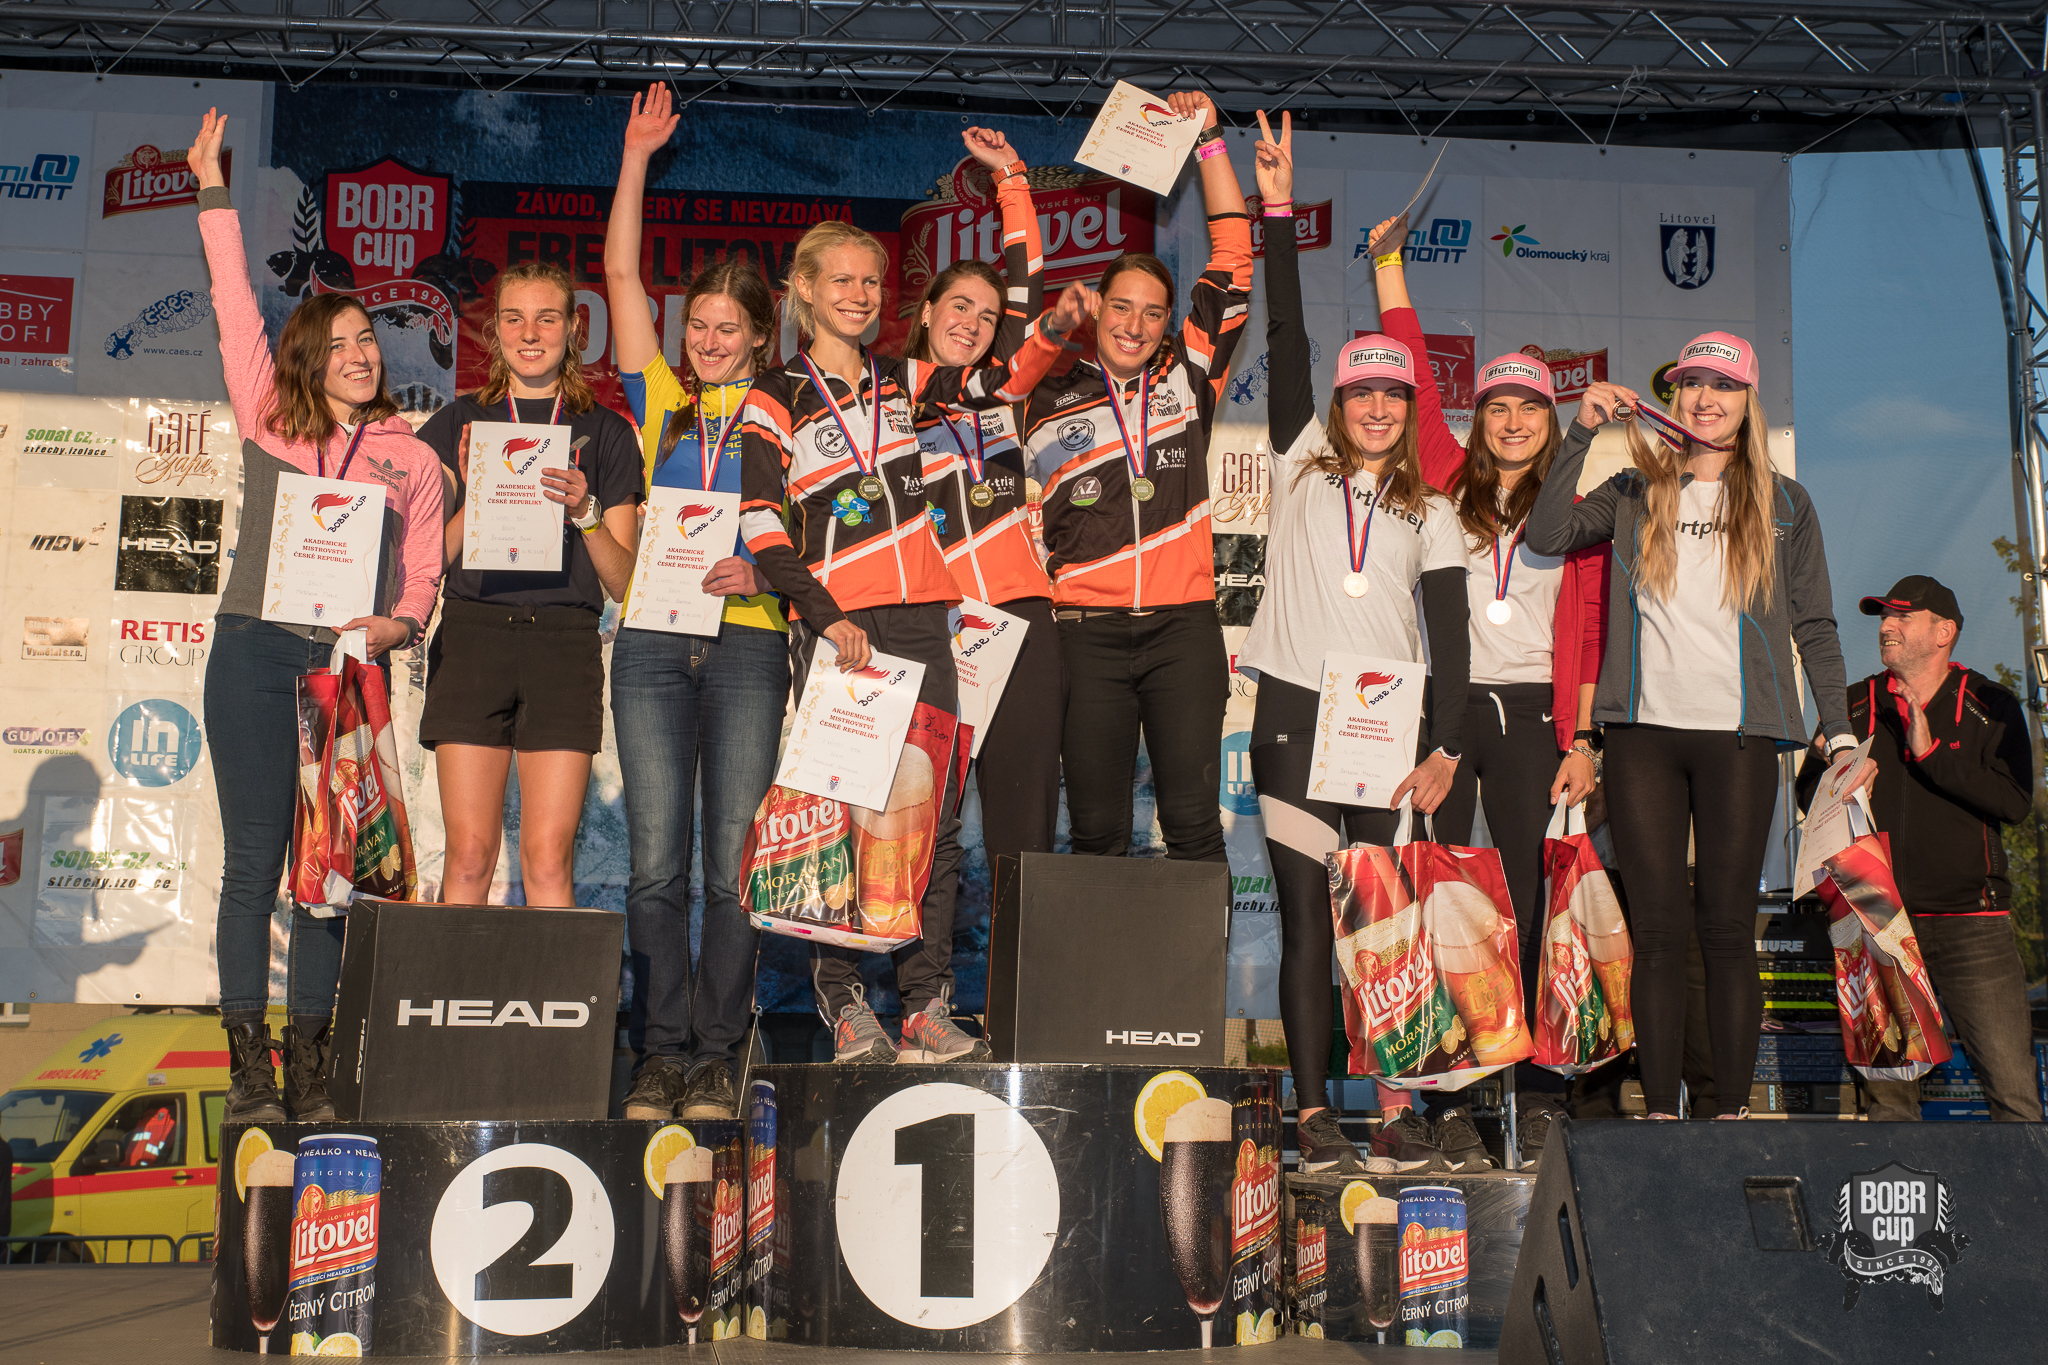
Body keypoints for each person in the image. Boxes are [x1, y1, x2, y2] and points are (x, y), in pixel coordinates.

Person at [739, 218, 1081, 1063]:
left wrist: (1048, 320)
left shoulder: (904, 380)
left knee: (936, 823)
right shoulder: (774, 394)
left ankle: (926, 1003)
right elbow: (760, 524)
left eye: (870, 282)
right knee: (842, 814)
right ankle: (844, 1002)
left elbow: (1003, 370)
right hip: (842, 626)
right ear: (806, 289)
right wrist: (825, 616)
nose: (859, 295)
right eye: (842, 280)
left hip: (927, 619)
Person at [187, 109, 445, 1122]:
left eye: (366, 339)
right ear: (307, 357)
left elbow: (420, 580)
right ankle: (249, 1071)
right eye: (337, 344)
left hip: (341, 670)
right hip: (253, 655)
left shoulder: (413, 458)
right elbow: (232, 304)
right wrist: (212, 190)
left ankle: (312, 1068)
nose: (358, 354)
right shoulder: (269, 419)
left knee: (327, 875)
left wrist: (396, 627)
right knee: (255, 865)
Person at [1527, 333, 1856, 1120]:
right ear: (1674, 396)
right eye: (1693, 383)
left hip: (1739, 738)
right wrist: (1580, 430)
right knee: (1658, 931)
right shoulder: (1635, 488)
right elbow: (1545, 534)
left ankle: (1729, 1113)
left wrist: (1840, 731)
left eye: (1723, 385)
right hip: (1642, 736)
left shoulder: (1785, 503)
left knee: (1727, 928)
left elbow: (1815, 625)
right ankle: (1661, 1114)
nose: (1706, 398)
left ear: (1748, 402)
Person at [1234, 113, 1470, 1173]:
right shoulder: (1297, 461)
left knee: (1384, 925)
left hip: (1387, 729)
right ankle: (1313, 1113)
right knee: (1304, 921)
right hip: (1292, 712)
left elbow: (1452, 641)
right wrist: (1278, 208)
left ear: (1410, 406)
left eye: (1392, 394)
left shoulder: (1436, 508)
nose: (1376, 407)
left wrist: (1446, 743)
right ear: (1337, 402)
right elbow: (1284, 333)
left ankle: (1398, 1109)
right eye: (1361, 392)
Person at [1366, 220, 1608, 1168]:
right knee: (1445, 903)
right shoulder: (1439, 476)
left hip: (1538, 722)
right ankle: (1449, 1105)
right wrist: (1389, 264)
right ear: (1480, 418)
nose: (1511, 422)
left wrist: (1584, 740)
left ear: (1552, 421)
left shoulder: (1575, 513)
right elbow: (1418, 381)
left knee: (1535, 910)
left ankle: (1542, 1100)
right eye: (1499, 406)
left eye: (1530, 409)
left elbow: (1591, 635)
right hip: (1450, 718)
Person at [602, 83, 790, 1120]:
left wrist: (764, 572)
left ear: (762, 334)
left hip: (750, 645)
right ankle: (658, 1052)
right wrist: (636, 158)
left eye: (729, 327)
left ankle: (718, 1054)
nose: (710, 340)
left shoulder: (789, 411)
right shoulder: (662, 402)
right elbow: (620, 274)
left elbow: (818, 533)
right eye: (700, 325)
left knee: (731, 866)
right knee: (653, 865)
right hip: (650, 644)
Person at [1018, 88, 1252, 865]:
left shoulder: (1189, 373)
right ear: (1096, 309)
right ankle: (1100, 958)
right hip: (1084, 634)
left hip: (1183, 630)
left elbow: (1233, 259)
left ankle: (1195, 959)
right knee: (1097, 834)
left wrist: (1210, 140)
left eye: (1154, 312)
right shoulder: (1045, 394)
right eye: (1121, 307)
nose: (1136, 325)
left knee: (1193, 828)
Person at [416, 255, 641, 911]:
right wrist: (472, 493)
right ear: (494, 330)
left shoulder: (605, 431)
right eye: (514, 318)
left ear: (574, 328)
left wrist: (585, 511)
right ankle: (454, 979)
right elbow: (425, 563)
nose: (531, 333)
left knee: (546, 859)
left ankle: (548, 983)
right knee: (468, 856)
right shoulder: (458, 423)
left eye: (547, 318)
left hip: (565, 644)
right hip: (473, 636)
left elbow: (624, 581)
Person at [1796, 576, 2041, 1122]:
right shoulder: (1851, 704)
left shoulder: (1990, 704)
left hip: (1970, 925)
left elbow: (2015, 801)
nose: (1887, 626)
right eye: (1884, 616)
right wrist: (1834, 783)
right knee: (1889, 1102)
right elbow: (1807, 791)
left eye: (1902, 616)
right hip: (1877, 922)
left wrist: (1931, 754)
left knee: (2014, 1094)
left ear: (1943, 632)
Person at [901, 127, 1064, 867]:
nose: (971, 323)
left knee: (1021, 834)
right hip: (929, 622)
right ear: (927, 309)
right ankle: (921, 953)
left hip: (1020, 620)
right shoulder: (885, 395)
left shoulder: (1007, 394)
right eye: (959, 306)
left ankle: (1015, 954)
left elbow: (1029, 287)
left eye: (988, 317)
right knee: (920, 825)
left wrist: (1012, 182)